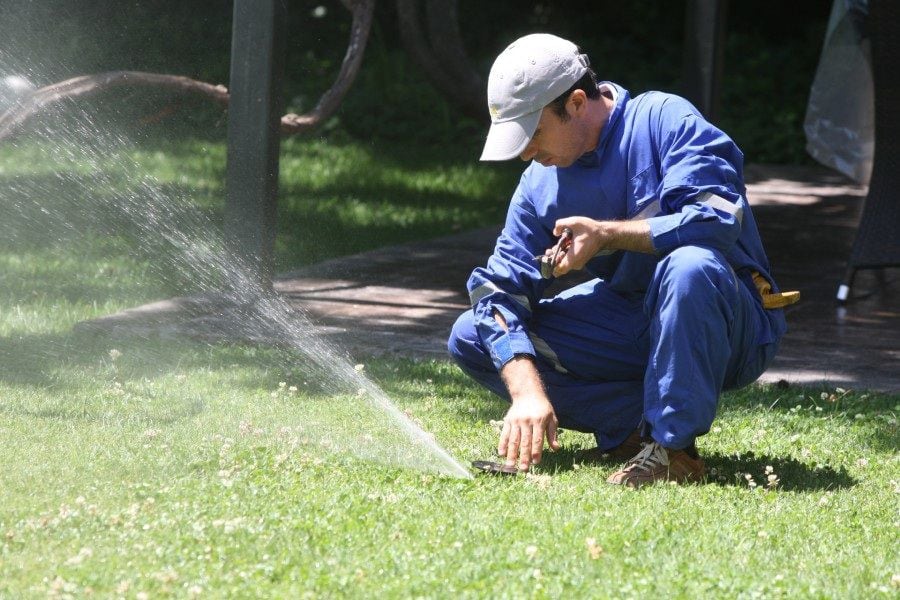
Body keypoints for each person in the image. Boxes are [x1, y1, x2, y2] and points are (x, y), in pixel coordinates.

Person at [447, 33, 793, 488]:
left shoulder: (665, 119)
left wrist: (609, 234)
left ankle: (673, 450)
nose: (527, 152)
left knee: (687, 265)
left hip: (730, 320)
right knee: (472, 336)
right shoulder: (538, 184)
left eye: (531, 133)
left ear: (574, 103)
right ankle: (635, 428)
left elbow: (717, 219)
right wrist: (528, 391)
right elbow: (499, 292)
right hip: (632, 316)